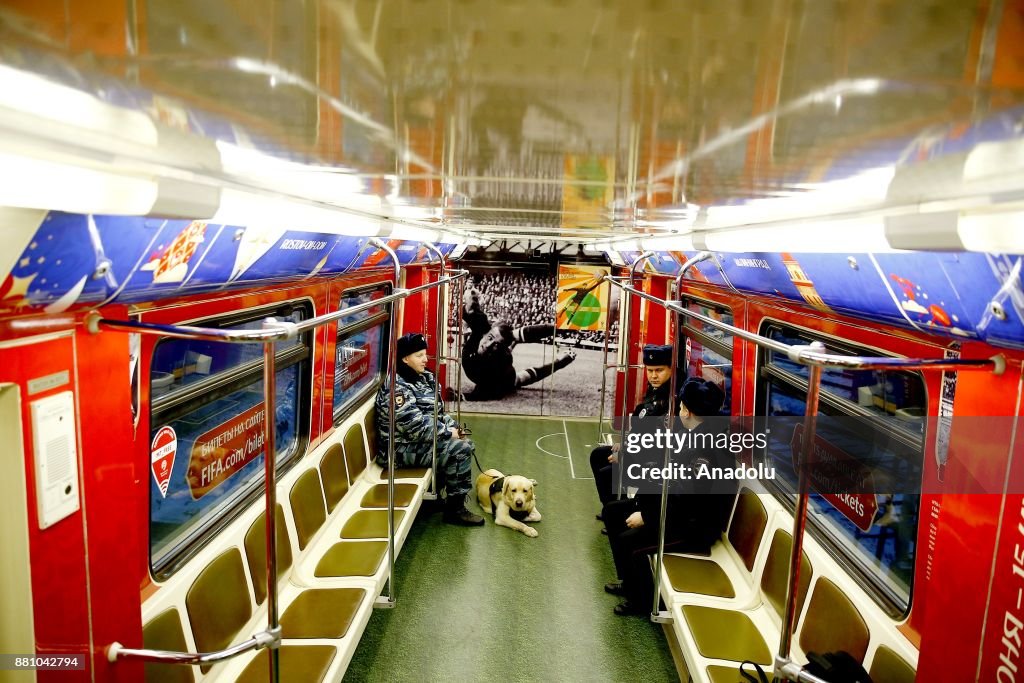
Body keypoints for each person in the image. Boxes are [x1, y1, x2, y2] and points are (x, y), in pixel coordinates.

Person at [602, 377, 736, 616]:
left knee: (630, 541)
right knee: (613, 512)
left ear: (688, 412)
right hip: (678, 510)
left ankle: (640, 601)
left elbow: (690, 501)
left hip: (694, 527)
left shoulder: (706, 449)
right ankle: (630, 582)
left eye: (682, 407)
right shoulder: (695, 434)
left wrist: (647, 516)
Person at [375, 333, 484, 526]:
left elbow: (438, 413)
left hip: (415, 443)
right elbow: (413, 427)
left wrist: (453, 427)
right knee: (459, 450)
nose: (425, 359)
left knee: (464, 443)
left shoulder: (425, 378)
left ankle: (435, 498)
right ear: (404, 358)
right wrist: (447, 433)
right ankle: (455, 509)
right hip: (398, 449)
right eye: (419, 355)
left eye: (425, 354)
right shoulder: (396, 388)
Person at [589, 344, 676, 512]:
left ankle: (618, 512)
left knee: (608, 472)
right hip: (640, 450)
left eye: (659, 370)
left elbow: (659, 443)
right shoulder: (655, 391)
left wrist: (626, 453)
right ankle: (612, 510)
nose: (653, 376)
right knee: (598, 455)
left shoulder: (672, 400)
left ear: (671, 369)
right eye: (650, 371)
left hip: (654, 461)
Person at [455, 287, 576, 401]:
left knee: (518, 380)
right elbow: (467, 307)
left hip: (497, 374)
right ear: (486, 332)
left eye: (496, 345)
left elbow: (485, 393)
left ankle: (560, 362)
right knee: (512, 335)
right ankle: (516, 339)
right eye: (490, 338)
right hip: (482, 356)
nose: (488, 345)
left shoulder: (501, 364)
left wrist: (460, 396)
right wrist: (471, 296)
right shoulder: (482, 326)